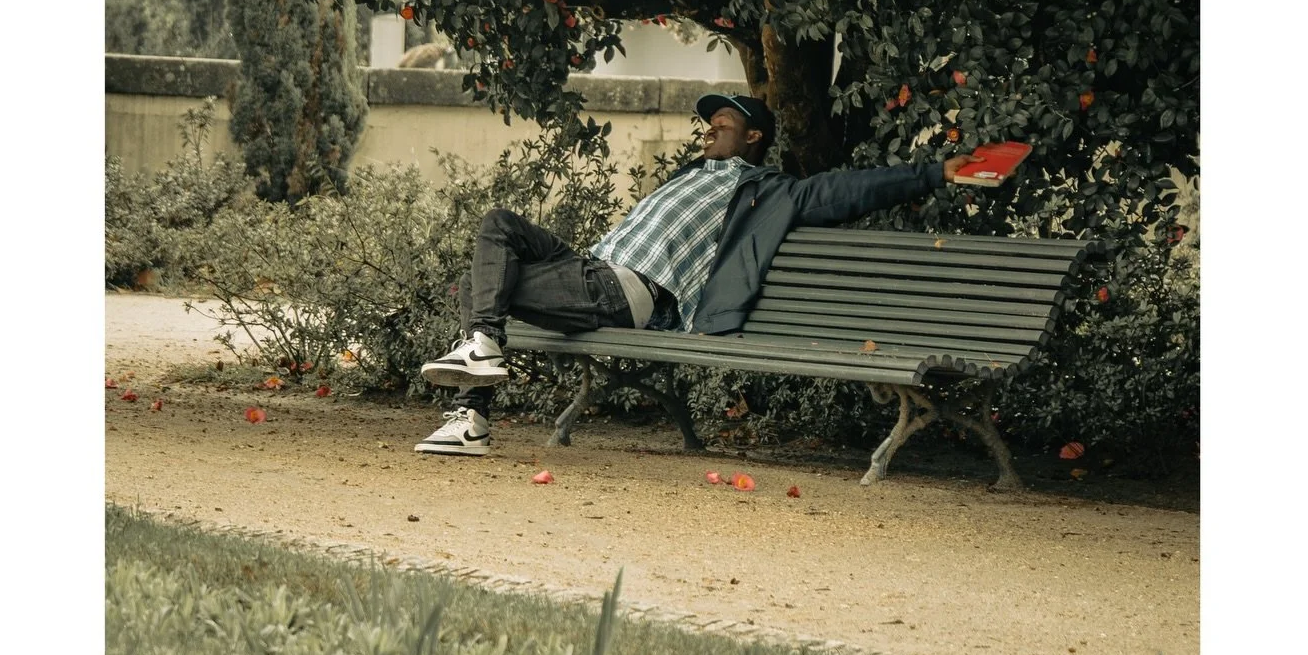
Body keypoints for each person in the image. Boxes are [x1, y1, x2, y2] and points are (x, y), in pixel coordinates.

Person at [413, 92, 981, 456]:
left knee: (484, 288)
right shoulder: (692, 175)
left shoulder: (766, 190)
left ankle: (471, 412)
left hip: (622, 288)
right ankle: (475, 392)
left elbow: (843, 190)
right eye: (707, 122)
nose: (709, 127)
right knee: (498, 231)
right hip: (586, 267)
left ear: (753, 136)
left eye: (724, 122)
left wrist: (934, 173)